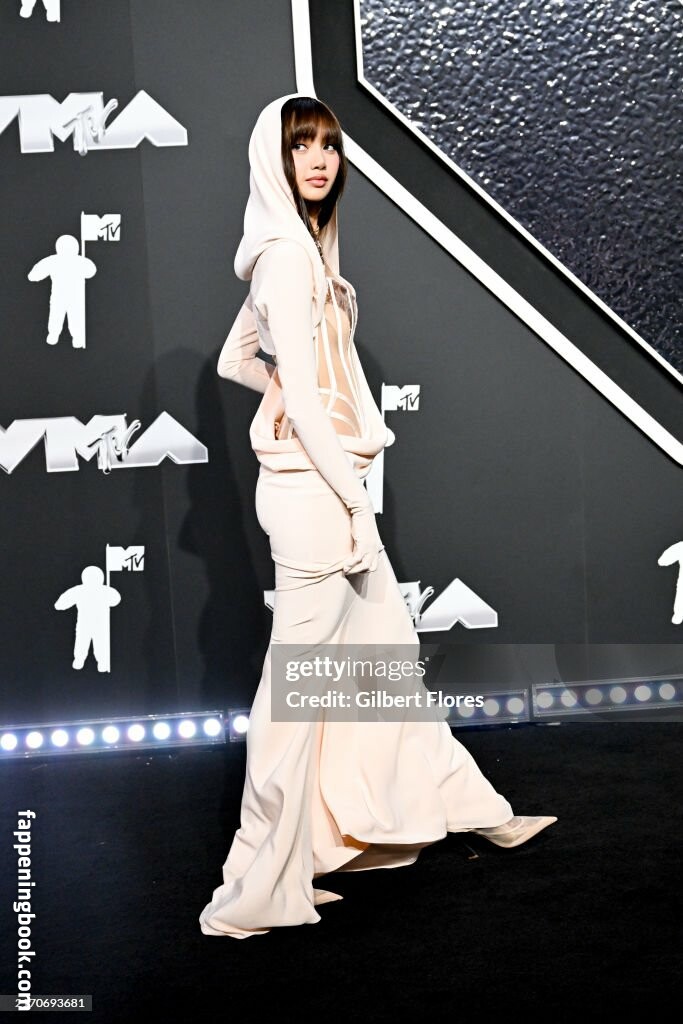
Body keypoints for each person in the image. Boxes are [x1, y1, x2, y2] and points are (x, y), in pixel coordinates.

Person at [199, 93, 556, 939]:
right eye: (300, 146)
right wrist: (352, 497)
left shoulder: (298, 250)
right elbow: (301, 400)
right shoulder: (286, 259)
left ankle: (462, 812)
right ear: (273, 160)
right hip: (316, 497)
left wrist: (282, 390)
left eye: (327, 145)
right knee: (296, 694)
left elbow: (233, 360)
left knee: (382, 663)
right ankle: (258, 882)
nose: (319, 160)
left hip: (326, 488)